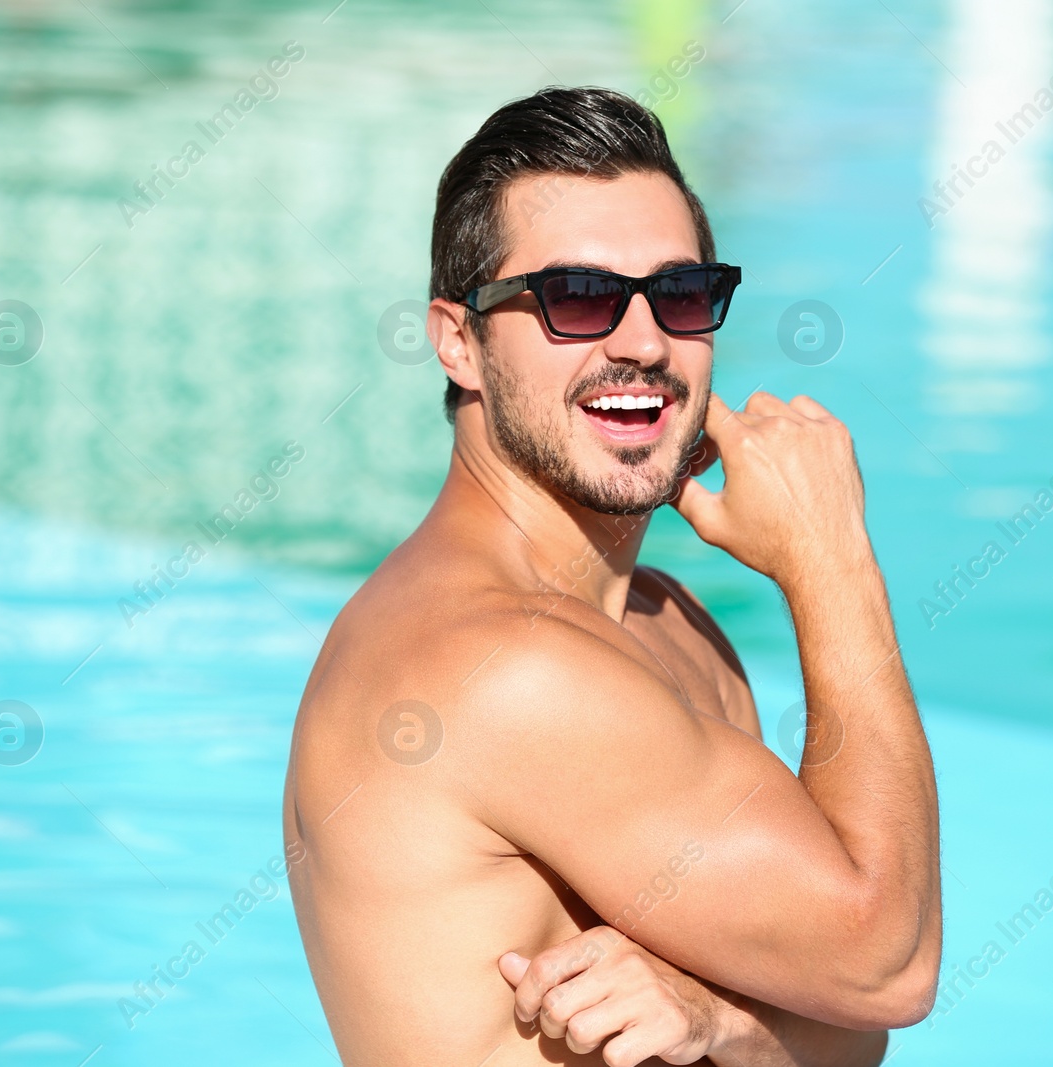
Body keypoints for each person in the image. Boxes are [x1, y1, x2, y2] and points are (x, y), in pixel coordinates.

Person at [282, 86, 940, 1066]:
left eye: (677, 295)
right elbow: (889, 961)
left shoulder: (669, 624)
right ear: (458, 341)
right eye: (575, 299)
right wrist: (829, 559)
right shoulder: (498, 665)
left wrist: (716, 1017)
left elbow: (849, 1025)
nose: (641, 344)